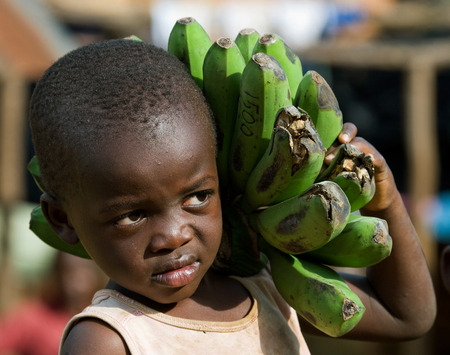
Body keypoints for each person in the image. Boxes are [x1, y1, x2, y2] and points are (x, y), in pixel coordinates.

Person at [28, 39, 436, 355]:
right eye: (132, 215)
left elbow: (406, 316)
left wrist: (386, 203)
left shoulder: (264, 288)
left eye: (198, 196)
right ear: (62, 219)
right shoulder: (108, 339)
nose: (174, 235)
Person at [0, 251, 106, 355]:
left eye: (84, 270)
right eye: (68, 271)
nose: (77, 280)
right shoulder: (35, 316)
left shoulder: (105, 317)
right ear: (57, 273)